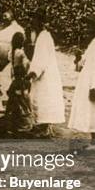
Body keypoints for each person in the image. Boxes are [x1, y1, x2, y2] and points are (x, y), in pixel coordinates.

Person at [68, 14, 95, 151]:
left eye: (87, 27)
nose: (84, 29)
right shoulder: (92, 45)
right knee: (92, 111)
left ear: (93, 29)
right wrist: (78, 59)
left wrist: (94, 87)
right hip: (90, 80)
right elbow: (83, 65)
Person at [27, 9, 65, 137]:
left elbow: (40, 59)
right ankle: (45, 126)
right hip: (48, 73)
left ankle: (44, 128)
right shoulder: (43, 36)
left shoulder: (43, 37)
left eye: (34, 20)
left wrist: (32, 73)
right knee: (44, 99)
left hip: (45, 74)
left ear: (40, 22)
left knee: (42, 99)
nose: (32, 23)